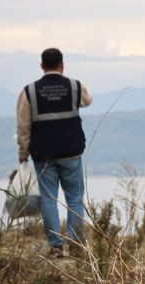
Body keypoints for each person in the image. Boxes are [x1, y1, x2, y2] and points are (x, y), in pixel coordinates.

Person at [17, 47, 92, 255]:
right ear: (62, 65)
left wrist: (23, 152)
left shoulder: (29, 92)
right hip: (71, 152)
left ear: (42, 66)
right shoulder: (74, 87)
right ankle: (76, 243)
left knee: (49, 198)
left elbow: (23, 126)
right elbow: (88, 99)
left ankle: (55, 245)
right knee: (75, 198)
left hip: (43, 153)